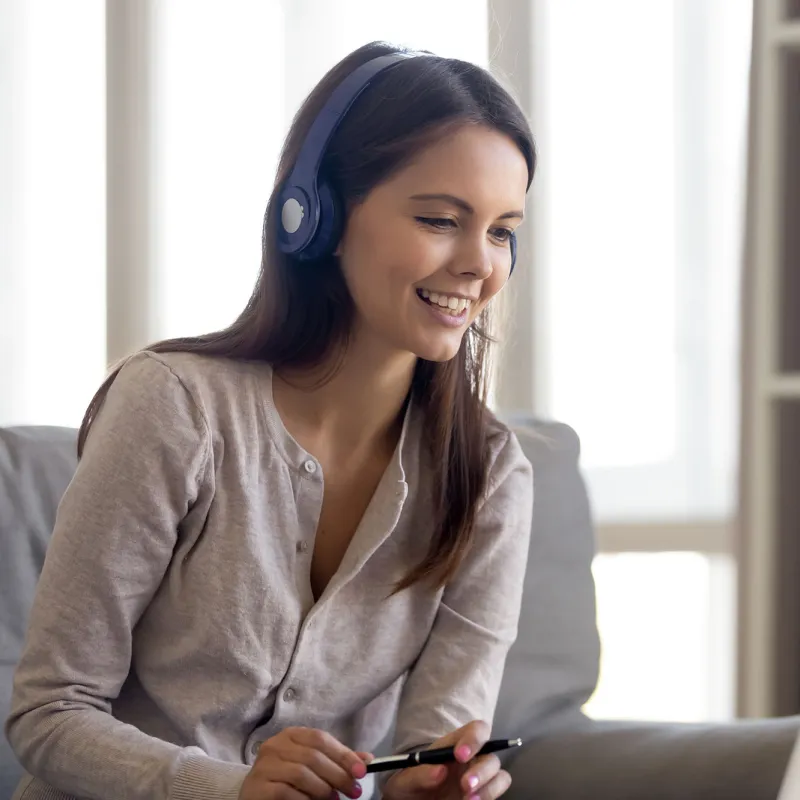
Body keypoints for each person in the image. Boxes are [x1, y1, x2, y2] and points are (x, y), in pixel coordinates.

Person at [6, 41, 535, 800]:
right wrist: (227, 789)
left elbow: (432, 749)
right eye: (440, 219)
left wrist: (431, 786)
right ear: (313, 217)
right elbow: (48, 713)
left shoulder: (489, 476)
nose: (480, 266)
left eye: (502, 231)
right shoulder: (175, 408)